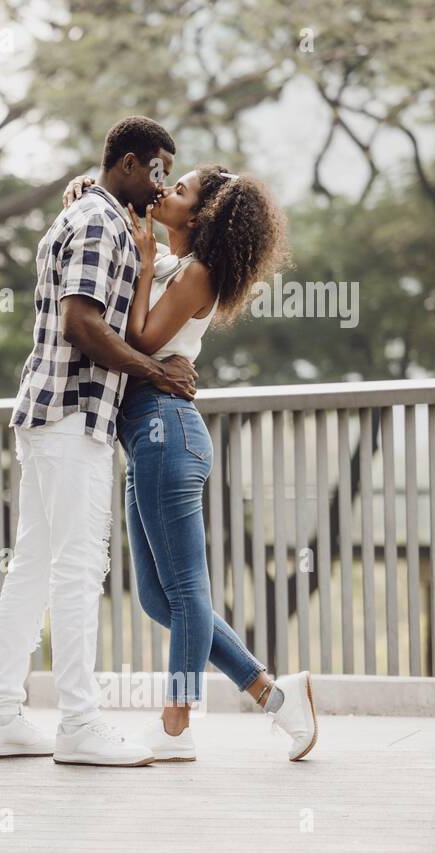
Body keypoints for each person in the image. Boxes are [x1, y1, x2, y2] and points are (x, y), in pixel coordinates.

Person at [62, 164, 317, 761]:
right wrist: (80, 184)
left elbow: (143, 342)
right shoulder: (173, 260)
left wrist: (147, 262)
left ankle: (176, 724)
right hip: (146, 436)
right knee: (160, 598)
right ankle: (276, 697)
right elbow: (107, 198)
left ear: (200, 217)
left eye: (180, 190)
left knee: (185, 587)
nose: (165, 191)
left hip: (165, 431)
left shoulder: (196, 272)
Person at [0, 116, 197, 766]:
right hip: (73, 416)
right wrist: (157, 371)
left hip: (53, 416)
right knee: (75, 569)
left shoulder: (95, 214)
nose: (160, 185)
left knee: (34, 569)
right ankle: (79, 725)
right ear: (127, 163)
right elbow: (81, 322)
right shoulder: (98, 221)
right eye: (156, 169)